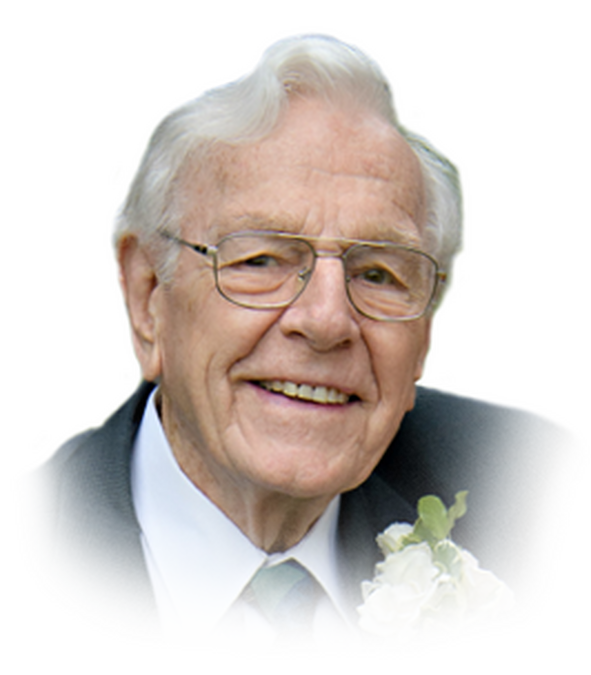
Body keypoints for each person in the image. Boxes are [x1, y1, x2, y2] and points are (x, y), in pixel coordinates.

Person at [11, 28, 587, 658]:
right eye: (260, 260)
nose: (326, 321)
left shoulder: (527, 492)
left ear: (428, 334)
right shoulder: (34, 549)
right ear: (148, 298)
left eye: (379, 274)